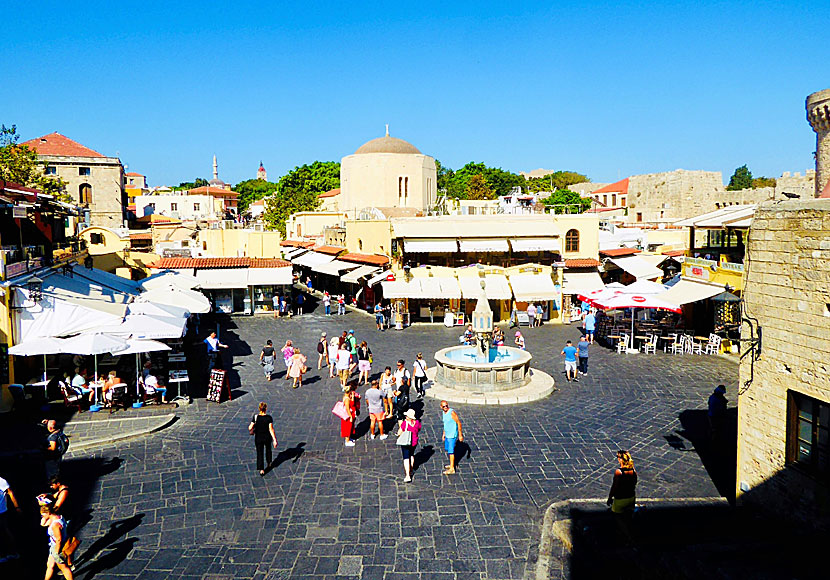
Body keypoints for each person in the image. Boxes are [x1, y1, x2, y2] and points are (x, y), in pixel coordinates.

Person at [607, 450, 638, 540]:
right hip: (631, 497)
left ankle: (628, 537)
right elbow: (635, 482)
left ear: (621, 460)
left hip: (620, 499)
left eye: (618, 457)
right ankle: (628, 532)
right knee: (627, 517)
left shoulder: (619, 472)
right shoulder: (633, 471)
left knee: (617, 517)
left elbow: (614, 487)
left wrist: (610, 497)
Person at [40, 504, 74, 580]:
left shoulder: (55, 524)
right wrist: (43, 518)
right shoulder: (57, 517)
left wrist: (57, 552)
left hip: (57, 547)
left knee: (64, 568)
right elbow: (43, 524)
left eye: (43, 514)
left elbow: (59, 539)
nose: (42, 516)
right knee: (50, 565)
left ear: (48, 513)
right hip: (53, 546)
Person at [249, 402, 278, 476]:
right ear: (266, 408)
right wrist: (274, 439)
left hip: (258, 437)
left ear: (259, 409)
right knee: (268, 450)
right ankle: (269, 463)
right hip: (267, 437)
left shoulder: (255, 417)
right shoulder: (269, 418)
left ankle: (261, 469)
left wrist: (252, 428)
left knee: (259, 452)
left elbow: (250, 427)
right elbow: (271, 429)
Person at [0, 474, 21, 563]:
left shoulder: (1, 481)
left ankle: (12, 553)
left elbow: (10, 493)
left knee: (4, 532)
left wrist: (17, 507)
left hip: (1, 512)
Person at [397, 409, 421, 482]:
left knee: (406, 458)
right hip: (414, 442)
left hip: (406, 442)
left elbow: (399, 432)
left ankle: (407, 476)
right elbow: (418, 429)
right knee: (411, 455)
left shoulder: (405, 423)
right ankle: (411, 470)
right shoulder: (417, 422)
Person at [440, 401, 463, 475]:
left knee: (451, 451)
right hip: (447, 434)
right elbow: (445, 424)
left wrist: (460, 435)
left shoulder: (452, 413)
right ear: (441, 407)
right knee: (448, 450)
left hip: (452, 435)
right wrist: (444, 433)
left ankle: (452, 469)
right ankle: (451, 464)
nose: (446, 407)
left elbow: (459, 423)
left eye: (446, 405)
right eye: (444, 406)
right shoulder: (444, 413)